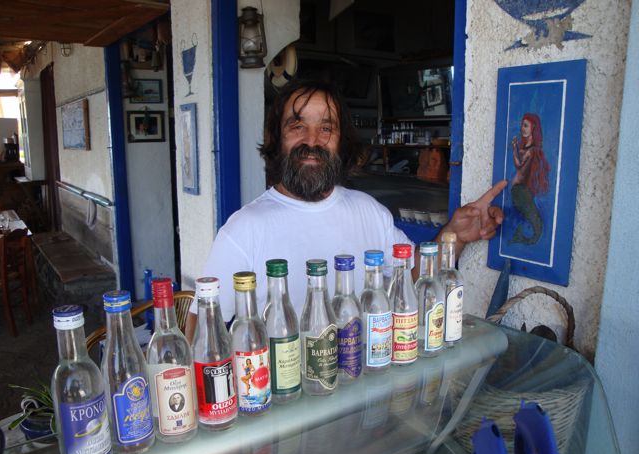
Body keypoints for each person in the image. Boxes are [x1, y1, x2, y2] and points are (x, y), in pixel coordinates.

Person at [185, 79, 506, 339]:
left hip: (365, 393)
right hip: (289, 407)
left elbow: (409, 276)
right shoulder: (244, 229)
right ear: (276, 138)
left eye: (326, 128)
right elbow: (201, 332)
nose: (313, 140)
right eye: (298, 126)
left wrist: (454, 236)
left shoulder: (368, 211)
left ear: (342, 141)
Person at [510, 113, 550, 245]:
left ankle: (522, 238)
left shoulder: (531, 151)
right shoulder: (527, 149)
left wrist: (514, 150)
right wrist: (516, 148)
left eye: (526, 125)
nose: (522, 128)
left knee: (534, 222)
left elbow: (519, 166)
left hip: (521, 192)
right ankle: (521, 236)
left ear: (533, 128)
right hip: (519, 192)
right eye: (522, 125)